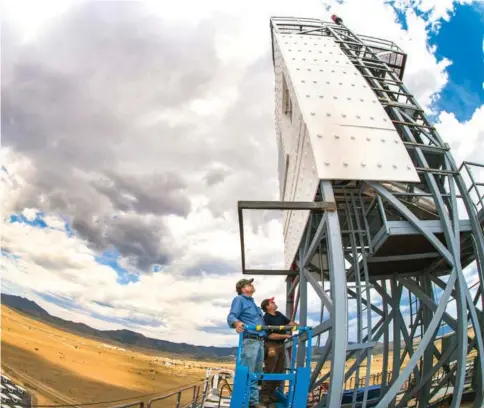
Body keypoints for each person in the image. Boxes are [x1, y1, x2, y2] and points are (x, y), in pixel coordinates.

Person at [227, 278, 267, 408]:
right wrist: (237, 323)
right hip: (250, 340)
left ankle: (253, 402)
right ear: (243, 289)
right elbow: (231, 316)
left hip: (260, 341)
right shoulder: (239, 300)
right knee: (247, 372)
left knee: (256, 373)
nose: (252, 285)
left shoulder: (254, 304)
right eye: (249, 284)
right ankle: (242, 402)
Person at [259, 297, 297, 404]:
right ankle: (265, 395)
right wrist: (286, 335)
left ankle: (271, 393)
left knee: (279, 370)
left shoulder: (279, 314)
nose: (275, 303)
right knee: (270, 369)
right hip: (271, 345)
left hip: (281, 345)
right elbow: (270, 335)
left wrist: (299, 327)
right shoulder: (266, 318)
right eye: (272, 302)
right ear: (267, 306)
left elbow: (290, 323)